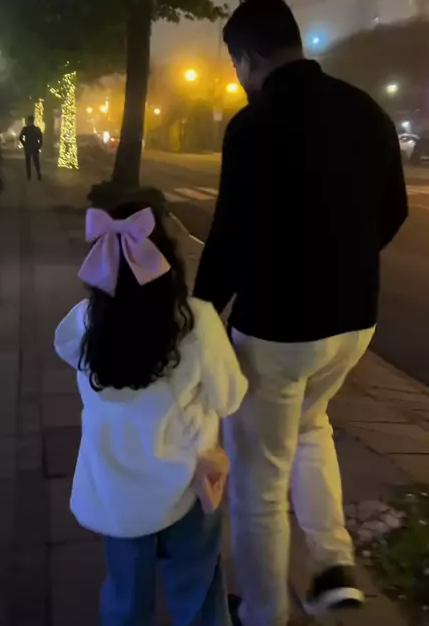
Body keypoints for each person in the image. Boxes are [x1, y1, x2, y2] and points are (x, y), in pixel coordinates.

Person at [193, 0, 408, 626]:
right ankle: (334, 568)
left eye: (236, 64)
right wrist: (344, 262)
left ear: (246, 58)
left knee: (260, 477)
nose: (239, 76)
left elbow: (227, 239)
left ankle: (264, 612)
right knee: (312, 428)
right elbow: (393, 210)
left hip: (278, 331)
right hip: (354, 322)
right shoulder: (367, 112)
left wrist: (199, 318)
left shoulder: (253, 127)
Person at [54, 200, 247, 626]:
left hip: (117, 494)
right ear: (168, 261)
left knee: (126, 598)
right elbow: (229, 398)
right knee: (198, 593)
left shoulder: (86, 322)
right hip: (188, 486)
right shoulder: (198, 322)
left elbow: (64, 347)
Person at [19, 115, 43, 180]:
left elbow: (20, 137)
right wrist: (39, 145)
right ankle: (38, 174)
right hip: (35, 147)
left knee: (28, 162)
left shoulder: (25, 129)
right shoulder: (37, 129)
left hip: (28, 147)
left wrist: (24, 144)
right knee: (36, 161)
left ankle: (29, 176)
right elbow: (40, 138)